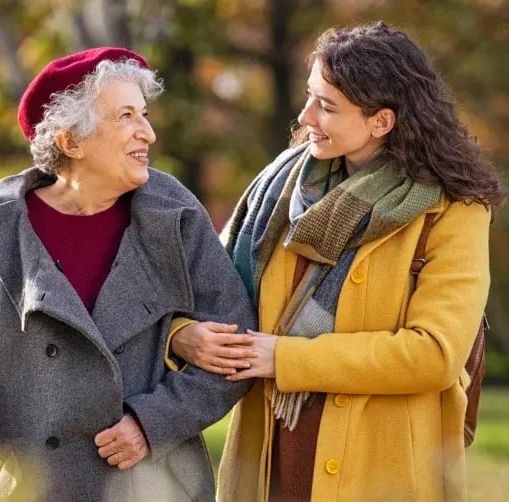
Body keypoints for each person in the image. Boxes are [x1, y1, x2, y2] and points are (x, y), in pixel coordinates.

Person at [0, 47, 256, 502]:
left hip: (150, 482)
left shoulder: (175, 215)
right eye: (125, 116)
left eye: (144, 114)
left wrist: (154, 423)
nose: (146, 132)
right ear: (72, 142)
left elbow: (238, 347)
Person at [169, 21, 505, 501]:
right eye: (310, 97)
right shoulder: (281, 191)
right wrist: (184, 335)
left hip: (380, 469)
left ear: (381, 121)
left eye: (326, 106)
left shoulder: (453, 210)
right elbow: (205, 292)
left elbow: (432, 353)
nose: (306, 116)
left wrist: (284, 358)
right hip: (271, 463)